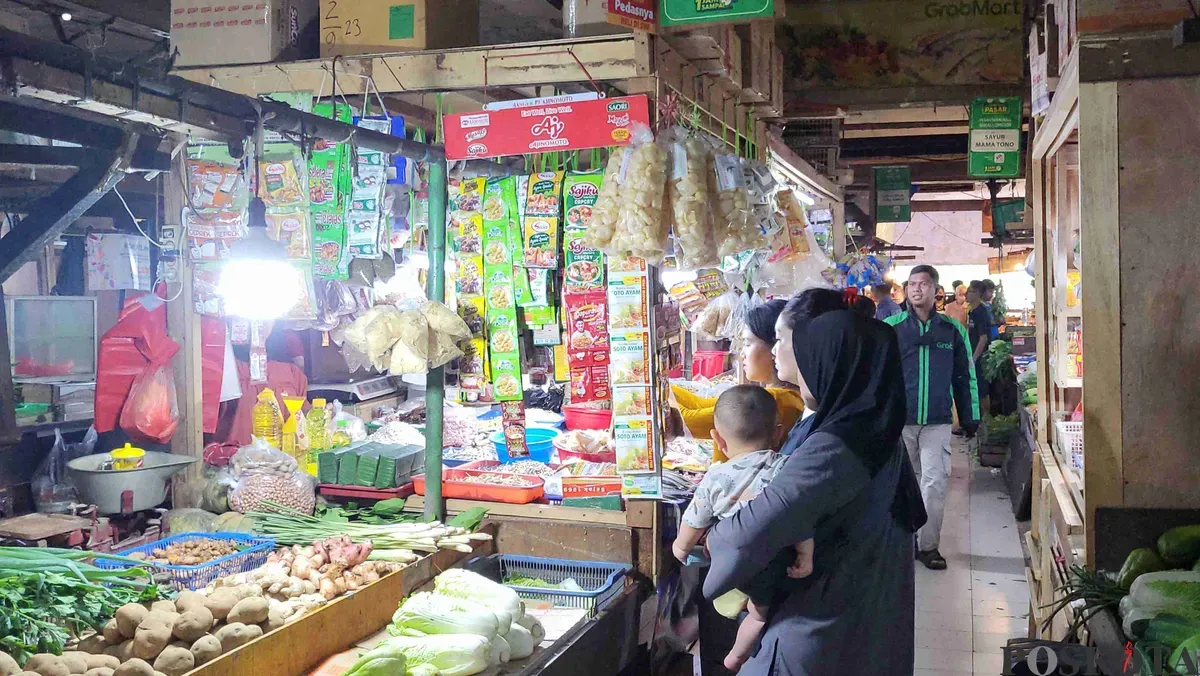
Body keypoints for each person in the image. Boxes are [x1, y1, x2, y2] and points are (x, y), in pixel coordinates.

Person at [703, 305, 926, 675]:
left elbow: (746, 535)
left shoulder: (835, 447)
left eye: (804, 353)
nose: (788, 360)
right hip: (858, 610)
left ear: (831, 363)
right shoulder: (872, 426)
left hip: (817, 624)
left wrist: (713, 535)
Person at [672, 385, 814, 671]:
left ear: (718, 440)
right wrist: (805, 555)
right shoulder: (786, 467)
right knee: (759, 615)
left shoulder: (716, 476)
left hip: (734, 566)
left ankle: (733, 657)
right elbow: (801, 515)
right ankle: (739, 652)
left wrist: (680, 547)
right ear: (777, 433)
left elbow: (695, 520)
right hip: (776, 563)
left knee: (741, 604)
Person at [884, 265, 980, 570]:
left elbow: (965, 377)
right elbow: (879, 377)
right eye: (912, 284)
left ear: (936, 291)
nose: (916, 289)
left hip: (937, 421)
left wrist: (970, 417)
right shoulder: (891, 328)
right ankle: (901, 544)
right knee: (901, 484)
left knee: (935, 483)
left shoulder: (953, 331)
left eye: (923, 284)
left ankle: (928, 547)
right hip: (900, 422)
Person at [672, 299, 806, 461]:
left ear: (774, 348)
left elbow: (687, 422)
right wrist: (662, 384)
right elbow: (698, 405)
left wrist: (654, 386)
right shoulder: (780, 395)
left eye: (748, 344)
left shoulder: (775, 400)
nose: (742, 353)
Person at [966, 280, 993, 409]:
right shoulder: (972, 311)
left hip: (980, 358)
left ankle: (985, 423)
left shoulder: (980, 312)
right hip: (973, 354)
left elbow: (983, 338)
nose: (966, 294)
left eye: (969, 291)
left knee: (982, 390)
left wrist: (974, 358)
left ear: (977, 293)